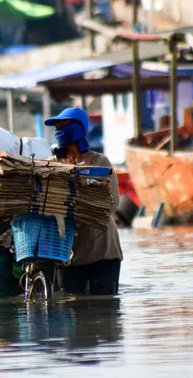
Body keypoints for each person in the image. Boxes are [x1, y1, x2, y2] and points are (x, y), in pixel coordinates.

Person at [44, 107, 123, 296]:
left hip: (103, 249)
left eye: (64, 124)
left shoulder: (100, 162)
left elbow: (113, 203)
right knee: (71, 309)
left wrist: (82, 211)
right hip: (68, 252)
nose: (58, 129)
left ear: (79, 128)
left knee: (105, 309)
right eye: (57, 126)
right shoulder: (50, 165)